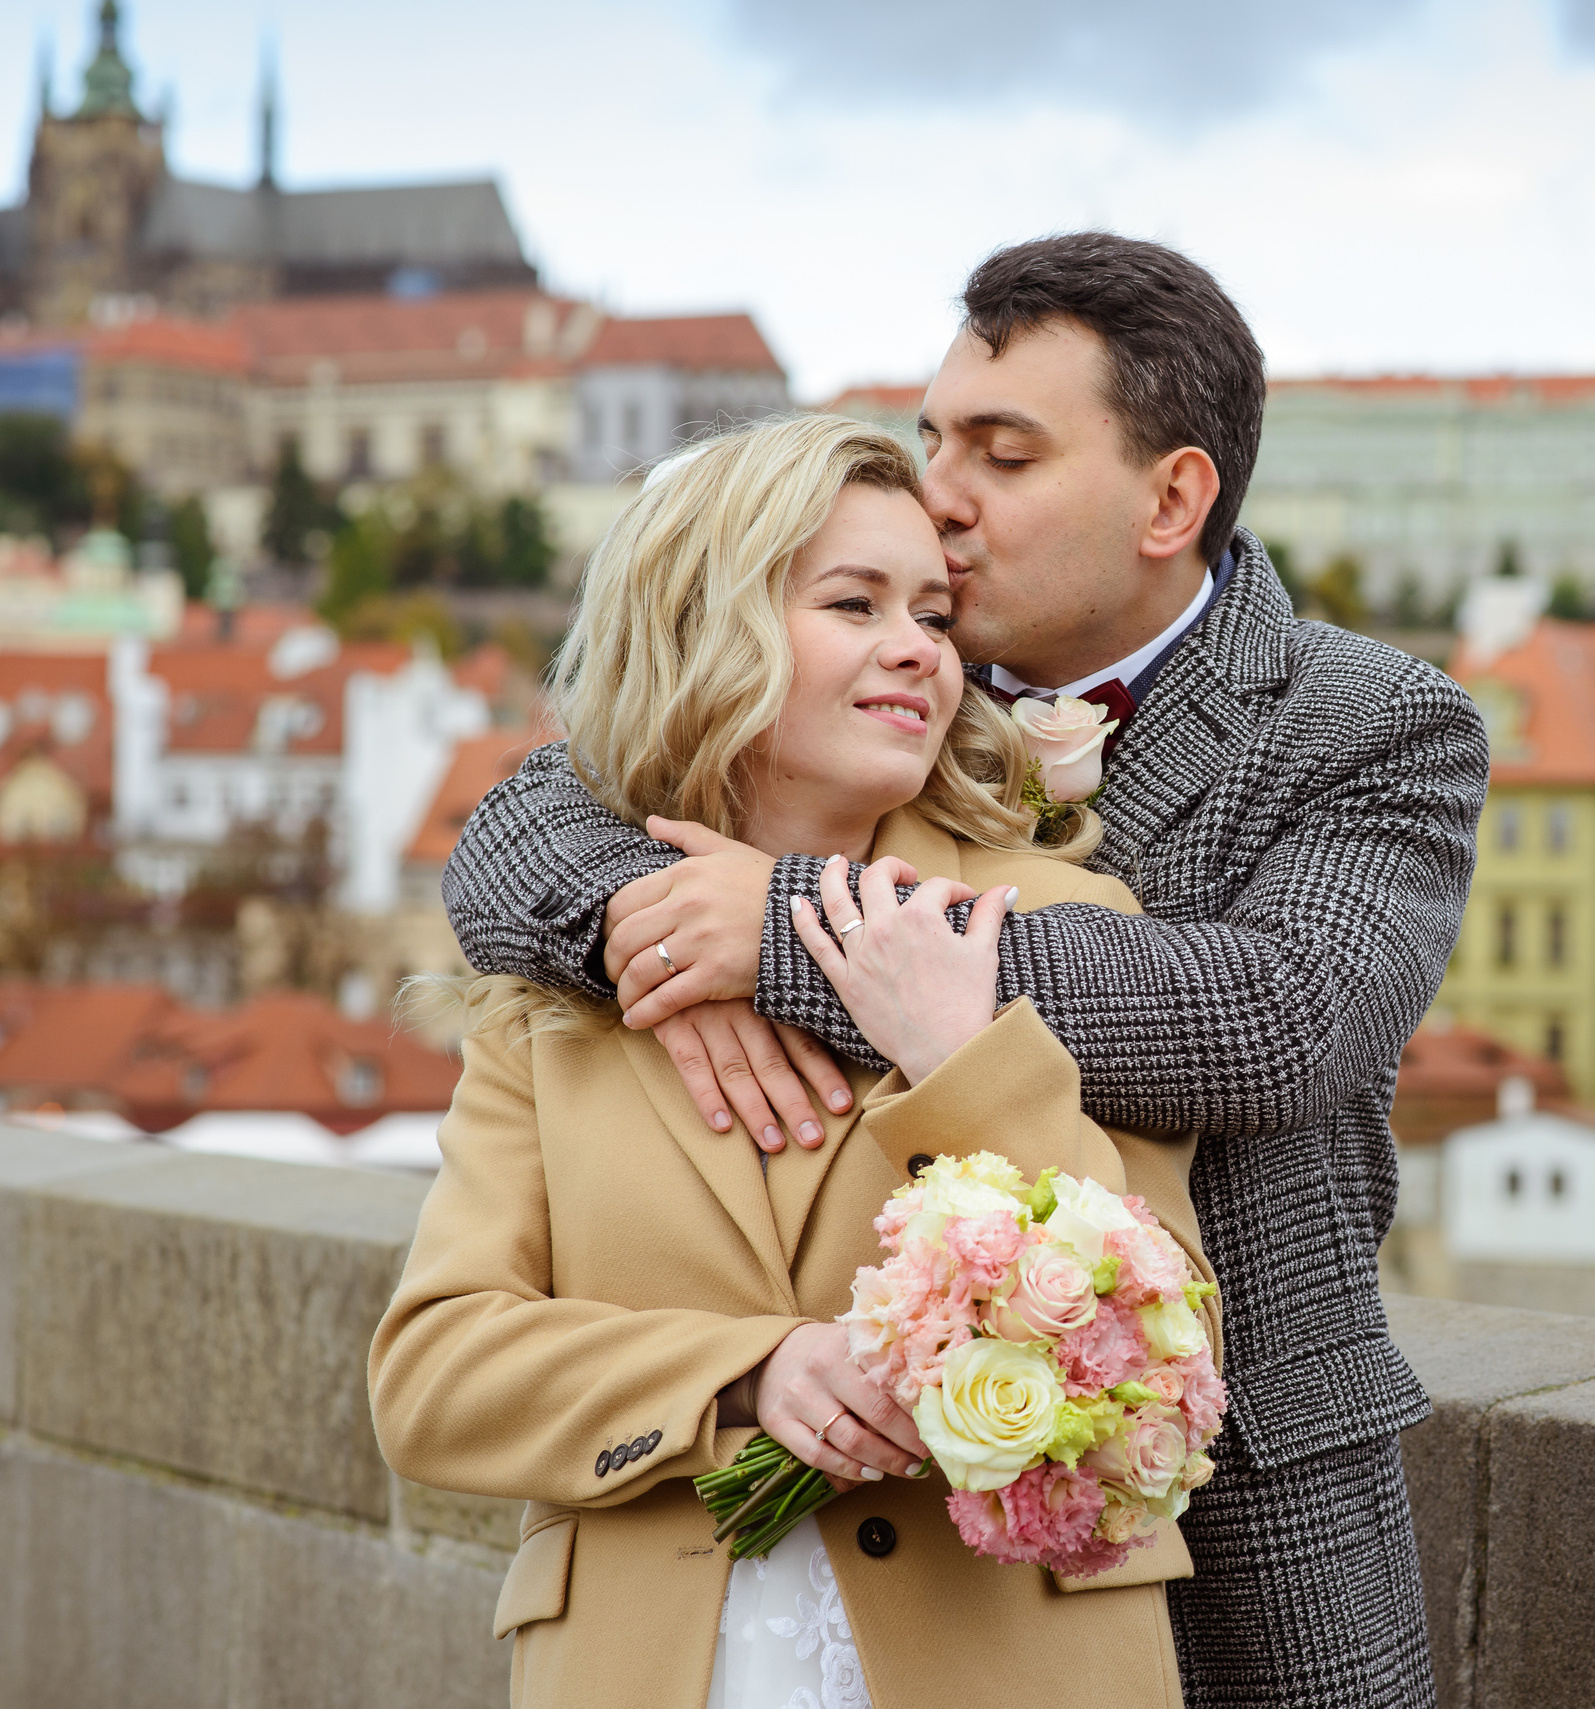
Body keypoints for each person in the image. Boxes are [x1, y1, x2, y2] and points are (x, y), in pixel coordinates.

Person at [441, 233, 1490, 1707]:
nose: (941, 495)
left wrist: (784, 934)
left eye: (1002, 455)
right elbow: (519, 831)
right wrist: (648, 926)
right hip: (899, 1538)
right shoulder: (892, 647)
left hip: (1253, 1486)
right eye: (933, 438)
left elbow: (1279, 1022)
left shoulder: (1367, 720)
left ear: (1171, 499)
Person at [371, 415, 1211, 1709]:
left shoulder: (1052, 924)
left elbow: (1169, 1354)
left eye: (934, 615)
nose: (918, 649)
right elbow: (434, 1376)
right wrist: (743, 1373)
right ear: (705, 630)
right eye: (854, 603)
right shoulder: (558, 990)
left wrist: (958, 1057)